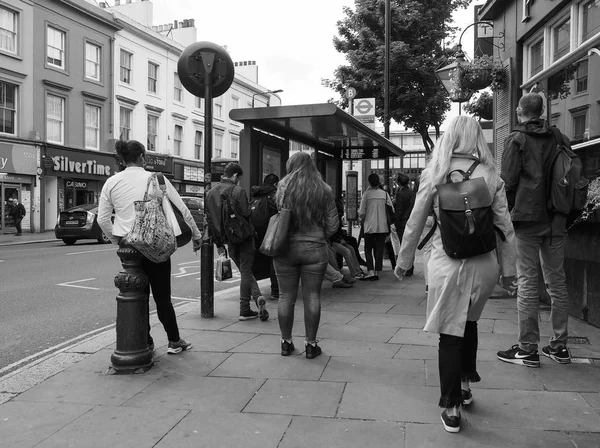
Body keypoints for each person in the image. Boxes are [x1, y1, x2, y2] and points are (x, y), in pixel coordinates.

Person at [395, 116, 517, 433]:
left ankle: (451, 407)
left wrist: (404, 258)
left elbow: (415, 220)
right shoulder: (491, 175)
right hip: (484, 266)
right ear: (478, 138)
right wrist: (510, 271)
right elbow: (505, 228)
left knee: (450, 332)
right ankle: (464, 386)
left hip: (446, 265)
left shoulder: (435, 173)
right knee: (469, 323)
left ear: (448, 138)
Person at [98, 140, 198, 355]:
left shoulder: (111, 182)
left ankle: (145, 341)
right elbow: (182, 210)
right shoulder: (157, 178)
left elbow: (103, 220)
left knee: (136, 296)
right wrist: (197, 235)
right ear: (142, 157)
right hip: (155, 243)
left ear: (122, 159)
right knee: (162, 297)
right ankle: (174, 340)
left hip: (128, 248)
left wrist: (118, 240)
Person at [497, 92, 573, 367]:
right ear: (541, 112)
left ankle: (528, 348)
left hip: (527, 219)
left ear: (519, 111)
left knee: (528, 281)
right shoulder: (559, 137)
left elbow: (507, 179)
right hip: (556, 219)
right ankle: (559, 345)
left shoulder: (516, 139)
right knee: (557, 282)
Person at [274, 151, 338, 359]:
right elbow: (333, 224)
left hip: (285, 249)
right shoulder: (324, 190)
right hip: (315, 249)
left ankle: (286, 343)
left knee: (286, 296)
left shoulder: (283, 187)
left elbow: (280, 217)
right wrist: (320, 236)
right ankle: (311, 345)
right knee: (312, 296)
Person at [205, 162, 268, 321]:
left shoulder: (210, 193)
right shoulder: (238, 191)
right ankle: (244, 309)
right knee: (246, 271)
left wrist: (219, 244)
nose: (239, 181)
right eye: (239, 178)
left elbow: (210, 221)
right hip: (244, 238)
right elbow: (247, 213)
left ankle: (257, 296)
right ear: (235, 176)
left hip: (227, 240)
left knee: (245, 271)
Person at [250, 173, 280, 300]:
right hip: (270, 232)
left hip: (255, 233)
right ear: (275, 184)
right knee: (274, 260)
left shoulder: (255, 194)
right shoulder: (274, 195)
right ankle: (275, 291)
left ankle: (253, 291)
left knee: (253, 261)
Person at [359, 173, 394, 281]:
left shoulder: (366, 194)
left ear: (369, 182)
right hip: (383, 226)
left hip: (369, 226)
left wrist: (362, 219)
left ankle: (370, 271)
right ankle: (377, 271)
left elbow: (361, 212)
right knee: (379, 250)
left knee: (368, 249)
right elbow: (391, 210)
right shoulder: (384, 194)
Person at [393, 173, 416, 276]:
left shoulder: (400, 194)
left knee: (403, 245)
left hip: (402, 222)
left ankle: (406, 268)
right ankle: (410, 267)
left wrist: (394, 220)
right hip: (410, 220)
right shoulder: (412, 193)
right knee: (409, 245)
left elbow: (399, 210)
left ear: (398, 183)